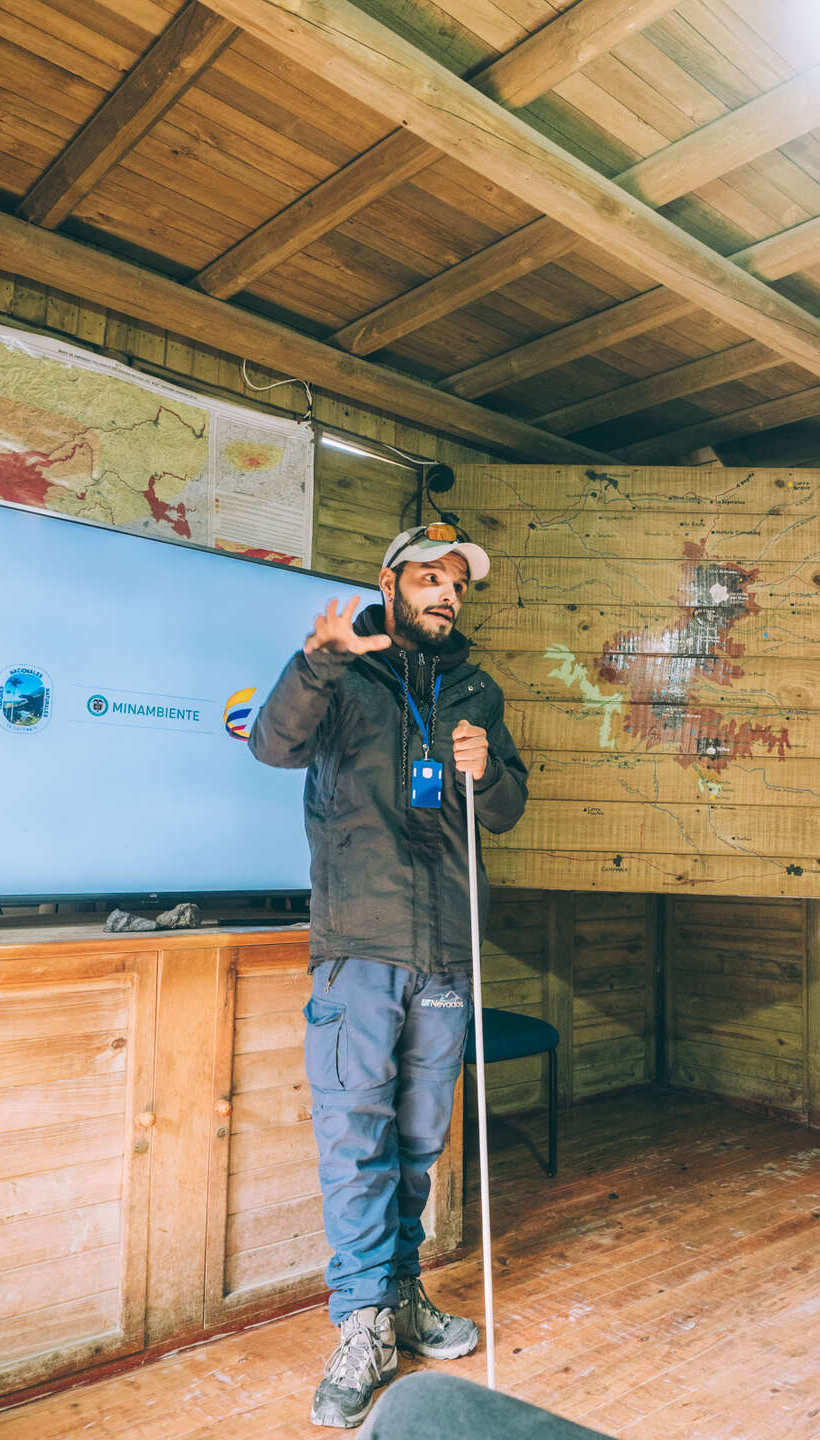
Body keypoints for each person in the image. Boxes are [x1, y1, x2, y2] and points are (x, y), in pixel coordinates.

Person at [249, 523, 528, 1429]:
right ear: (390, 584)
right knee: (355, 1137)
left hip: (447, 948)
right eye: (429, 578)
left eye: (458, 583)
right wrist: (318, 660)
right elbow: (272, 744)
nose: (446, 593)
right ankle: (363, 1320)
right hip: (359, 947)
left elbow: (509, 808)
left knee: (417, 1139)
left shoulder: (476, 688)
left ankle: (403, 1295)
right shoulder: (344, 673)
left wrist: (488, 774)